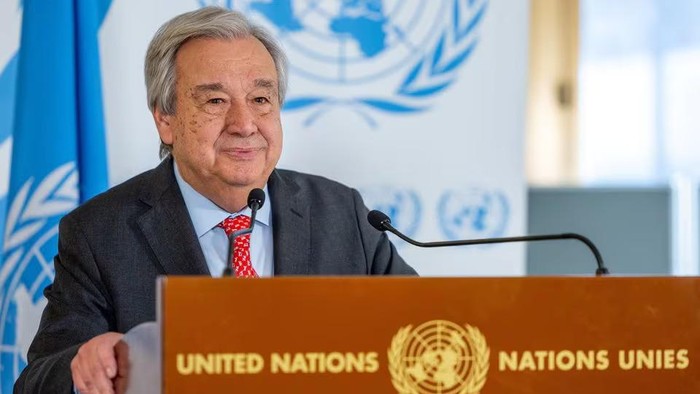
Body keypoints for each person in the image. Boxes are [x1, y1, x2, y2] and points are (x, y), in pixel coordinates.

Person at [14, 7, 415, 394]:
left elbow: (423, 332)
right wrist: (85, 364)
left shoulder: (341, 212)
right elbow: (37, 382)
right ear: (165, 120)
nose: (244, 125)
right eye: (215, 101)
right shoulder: (101, 232)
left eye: (261, 100)